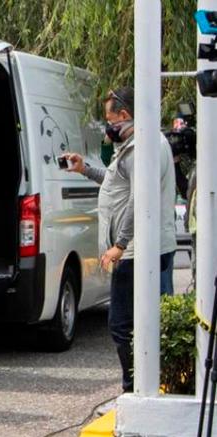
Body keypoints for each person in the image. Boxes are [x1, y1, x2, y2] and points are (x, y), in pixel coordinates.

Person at [64, 87, 176, 392]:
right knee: (142, 319)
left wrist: (120, 245)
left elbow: (137, 200)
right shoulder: (138, 146)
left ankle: (134, 387)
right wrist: (85, 169)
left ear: (124, 116)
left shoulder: (141, 148)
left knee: (122, 324)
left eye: (109, 119)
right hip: (144, 247)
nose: (107, 126)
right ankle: (144, 382)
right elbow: (118, 184)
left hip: (136, 251)